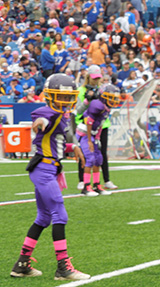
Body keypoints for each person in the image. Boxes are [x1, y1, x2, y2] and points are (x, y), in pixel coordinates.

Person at [11, 74, 90, 281]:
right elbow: (41, 119)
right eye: (60, 97)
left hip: (49, 168)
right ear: (50, 96)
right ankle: (63, 268)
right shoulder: (49, 112)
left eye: (68, 97)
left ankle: (21, 264)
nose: (65, 101)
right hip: (44, 169)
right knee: (60, 215)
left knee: (44, 218)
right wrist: (39, 123)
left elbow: (55, 143)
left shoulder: (61, 115)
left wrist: (74, 148)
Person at [74, 65, 117, 190]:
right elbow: (78, 110)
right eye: (94, 78)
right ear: (88, 77)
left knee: (102, 152)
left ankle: (106, 180)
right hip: (85, 124)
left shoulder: (102, 90)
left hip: (102, 125)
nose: (95, 80)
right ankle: (82, 180)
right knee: (84, 152)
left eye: (98, 78)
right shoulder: (81, 91)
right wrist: (88, 100)